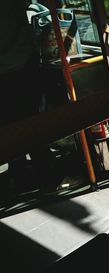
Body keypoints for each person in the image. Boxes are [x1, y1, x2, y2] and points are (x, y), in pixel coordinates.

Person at [0, 1, 56, 194]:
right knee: (32, 121)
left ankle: (20, 175)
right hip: (23, 65)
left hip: (6, 72)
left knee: (10, 124)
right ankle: (46, 174)